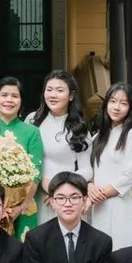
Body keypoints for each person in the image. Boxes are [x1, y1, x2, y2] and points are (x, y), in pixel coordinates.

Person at [0, 76, 43, 237]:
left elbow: (36, 172)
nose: (9, 100)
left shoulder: (32, 132)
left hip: (24, 208)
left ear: (21, 101)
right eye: (4, 95)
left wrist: (20, 207)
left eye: (15, 96)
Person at [87, 83, 132, 252]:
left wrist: (98, 195)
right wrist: (89, 185)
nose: (117, 107)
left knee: (119, 251)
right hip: (97, 205)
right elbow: (90, 170)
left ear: (130, 108)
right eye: (113, 101)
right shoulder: (98, 136)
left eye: (123, 103)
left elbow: (128, 177)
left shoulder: (131, 135)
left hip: (118, 203)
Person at [29, 70, 91, 223]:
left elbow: (87, 169)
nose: (53, 95)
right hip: (34, 194)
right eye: (49, 90)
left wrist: (61, 189)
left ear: (71, 96)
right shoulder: (32, 121)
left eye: (59, 90)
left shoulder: (78, 129)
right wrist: (45, 184)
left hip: (65, 199)